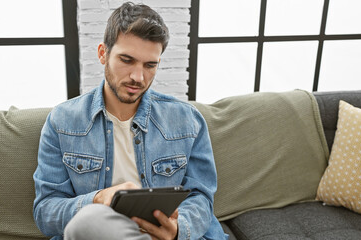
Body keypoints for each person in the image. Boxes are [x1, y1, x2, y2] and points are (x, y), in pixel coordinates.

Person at [33, 2, 228, 240]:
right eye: (127, 60)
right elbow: (46, 211)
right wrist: (98, 199)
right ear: (103, 53)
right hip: (99, 234)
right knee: (87, 221)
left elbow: (201, 197)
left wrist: (177, 230)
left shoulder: (187, 121)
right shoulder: (62, 121)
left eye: (150, 65)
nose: (138, 77)